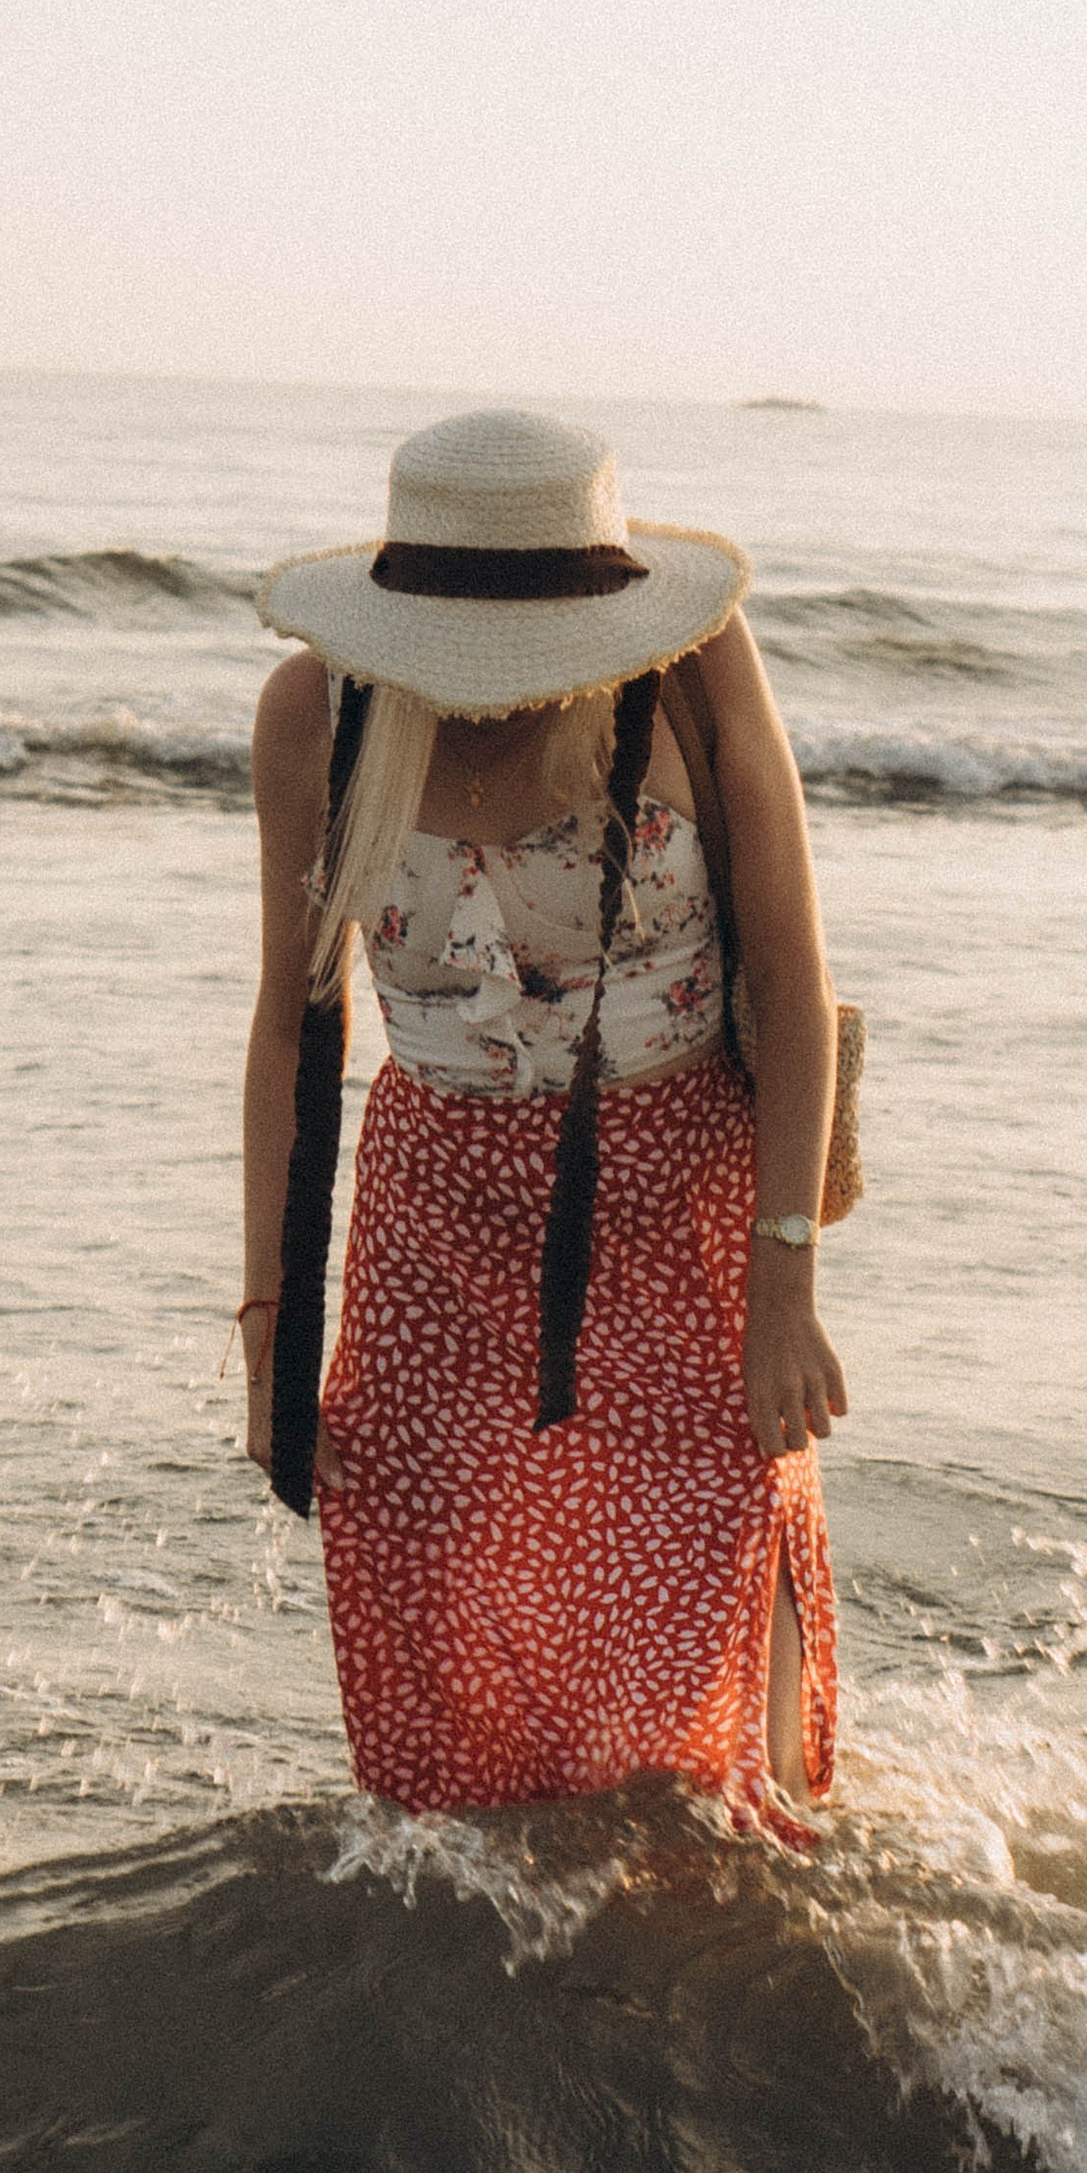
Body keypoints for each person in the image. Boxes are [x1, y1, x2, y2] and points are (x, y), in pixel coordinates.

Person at [236, 409, 844, 1833]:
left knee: (709, 1624)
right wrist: (272, 1326)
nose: (500, 694)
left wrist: (786, 1279)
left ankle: (752, 1986)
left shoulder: (692, 677)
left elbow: (795, 987)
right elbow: (289, 1023)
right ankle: (494, 2001)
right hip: (431, 1225)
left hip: (682, 1210)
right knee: (448, 1653)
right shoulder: (315, 716)